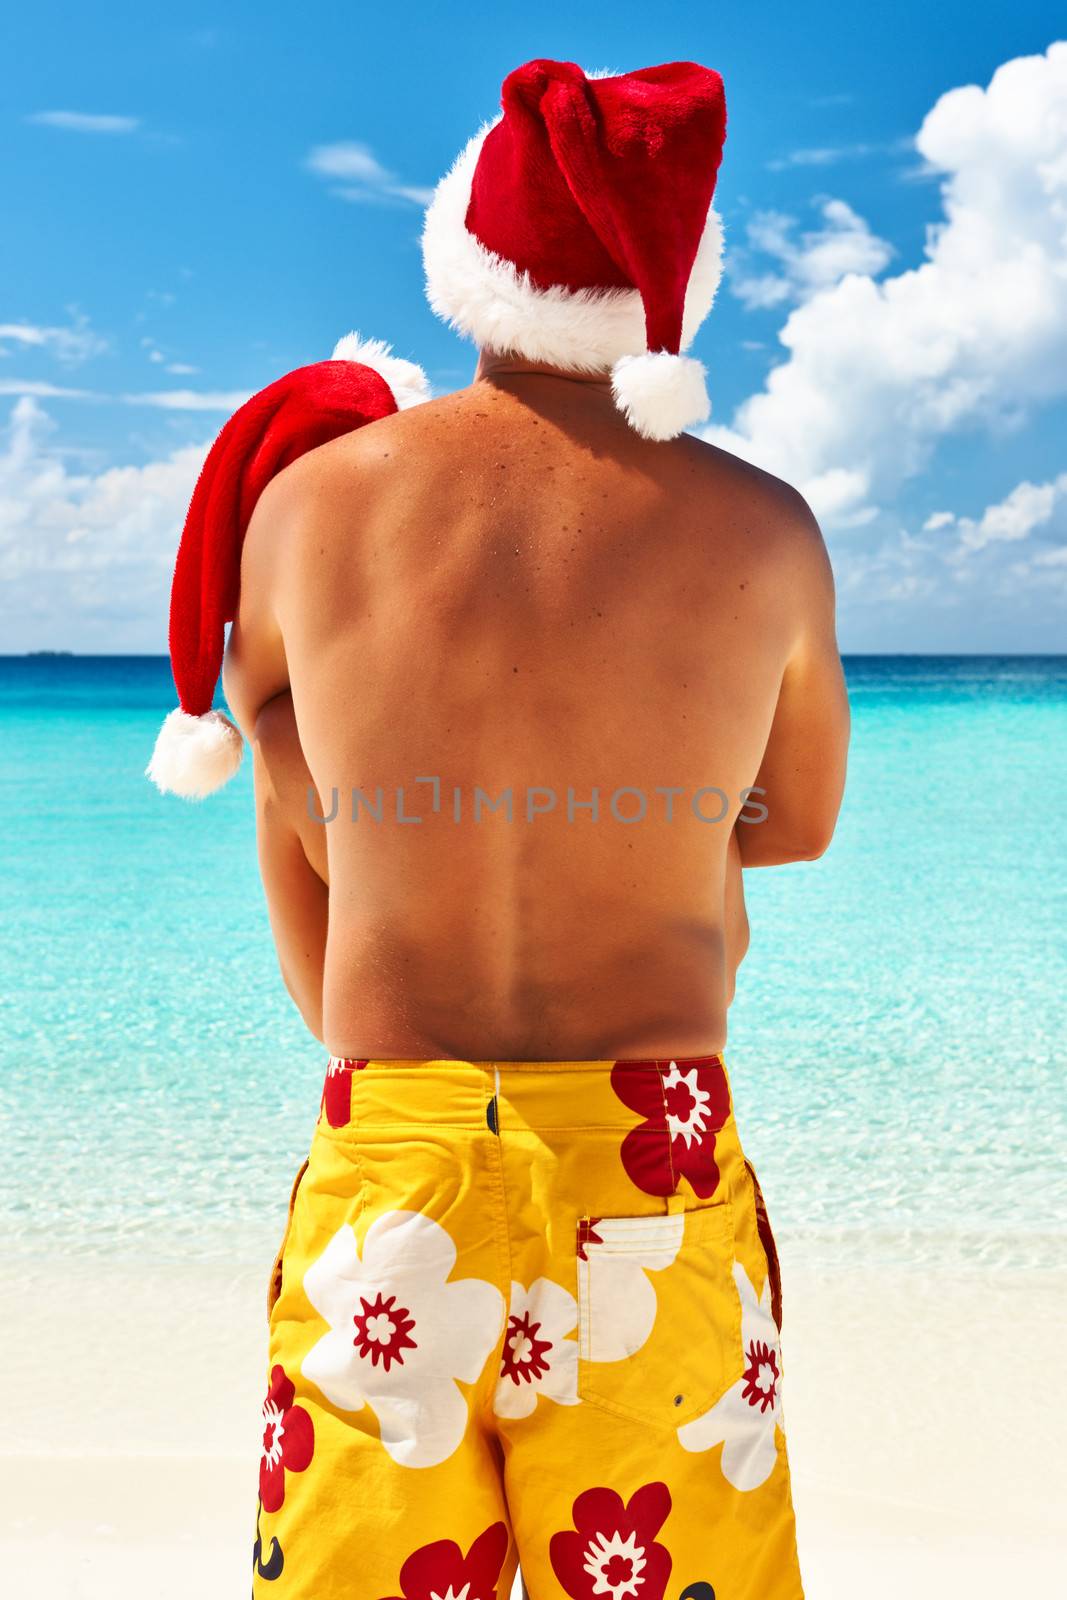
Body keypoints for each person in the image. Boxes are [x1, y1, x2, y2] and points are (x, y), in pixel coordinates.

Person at [149, 58, 849, 1600]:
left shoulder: (310, 513)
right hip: (649, 1174)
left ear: (464, 264)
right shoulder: (765, 530)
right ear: (672, 291)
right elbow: (794, 825)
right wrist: (650, 819)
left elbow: (303, 819)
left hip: (396, 1160)